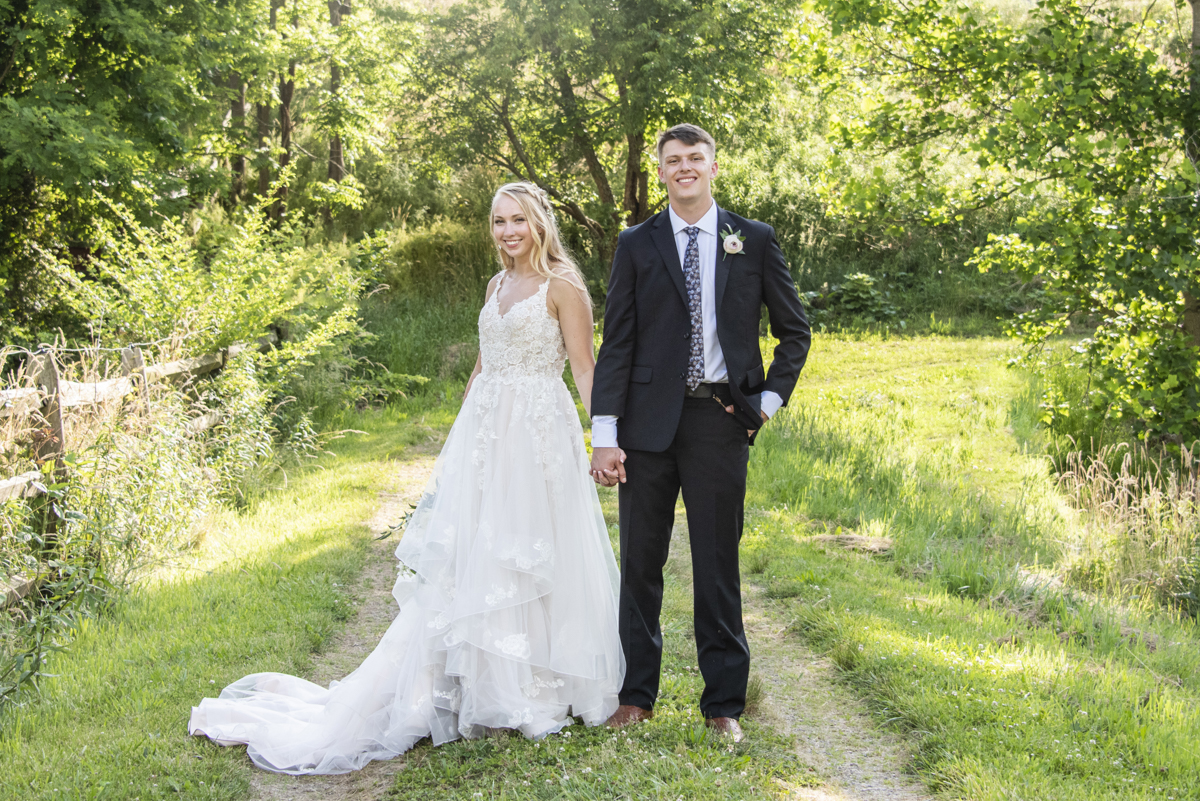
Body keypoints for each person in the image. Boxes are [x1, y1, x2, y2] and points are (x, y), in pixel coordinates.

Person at [189, 182, 625, 775]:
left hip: (539, 436)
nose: (507, 232)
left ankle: (538, 684)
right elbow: (482, 364)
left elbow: (582, 366)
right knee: (478, 551)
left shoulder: (564, 287)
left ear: (539, 222)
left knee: (535, 547)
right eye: (498, 222)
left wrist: (603, 440)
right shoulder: (495, 285)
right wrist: (463, 439)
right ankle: (485, 682)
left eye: (517, 220)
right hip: (488, 437)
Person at [589, 124, 810, 743]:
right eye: (673, 160)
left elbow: (796, 332)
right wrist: (604, 431)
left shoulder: (753, 240)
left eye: (696, 158)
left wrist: (765, 403)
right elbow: (618, 343)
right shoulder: (636, 243)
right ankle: (636, 697)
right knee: (640, 563)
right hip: (645, 426)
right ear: (660, 171)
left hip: (720, 419)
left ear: (714, 167)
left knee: (717, 563)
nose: (684, 168)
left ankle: (724, 708)